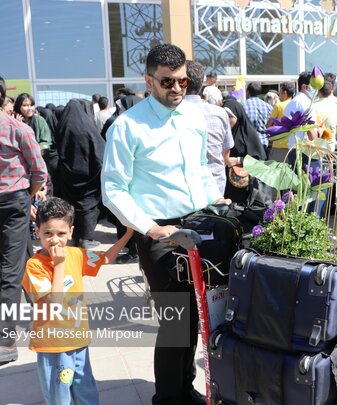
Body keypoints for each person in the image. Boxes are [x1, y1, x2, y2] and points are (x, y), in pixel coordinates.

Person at [102, 43, 229, 405]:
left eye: (183, 82)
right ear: (149, 80)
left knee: (202, 317)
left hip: (201, 224)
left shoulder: (193, 117)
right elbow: (113, 190)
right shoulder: (128, 126)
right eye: (167, 81)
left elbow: (199, 169)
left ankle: (184, 386)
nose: (176, 89)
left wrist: (214, 199)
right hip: (160, 233)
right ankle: (169, 397)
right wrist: (152, 229)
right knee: (176, 323)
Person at [22, 197, 133, 405]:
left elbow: (106, 258)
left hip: (78, 339)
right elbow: (54, 303)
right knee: (59, 394)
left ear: (71, 232)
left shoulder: (76, 254)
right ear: (37, 232)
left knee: (85, 389)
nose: (54, 240)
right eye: (48, 233)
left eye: (61, 233)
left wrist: (127, 235)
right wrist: (59, 265)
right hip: (53, 344)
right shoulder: (34, 266)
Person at [0, 71, 48, 362]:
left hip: (15, 205)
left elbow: (39, 171)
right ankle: (47, 316)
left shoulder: (19, 130)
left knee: (10, 275)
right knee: (25, 266)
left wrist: (27, 198)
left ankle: (6, 341)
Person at [55, 99, 105, 249]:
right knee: (88, 207)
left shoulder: (62, 126)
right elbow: (99, 149)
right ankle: (86, 238)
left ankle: (75, 235)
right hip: (88, 173)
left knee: (73, 206)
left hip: (68, 174)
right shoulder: (87, 127)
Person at [184, 60, 234, 194]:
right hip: (216, 184)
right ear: (201, 83)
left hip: (185, 189)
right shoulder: (220, 113)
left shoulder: (171, 113)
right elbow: (225, 153)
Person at [222, 97, 267, 204]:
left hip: (244, 187)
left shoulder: (249, 135)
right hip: (226, 185)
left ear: (238, 116)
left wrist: (237, 160)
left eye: (230, 116)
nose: (226, 120)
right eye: (224, 116)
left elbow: (260, 161)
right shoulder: (222, 134)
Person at [242, 82, 273, 154]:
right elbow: (272, 125)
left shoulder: (242, 106)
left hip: (248, 143)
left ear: (248, 92)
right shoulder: (268, 107)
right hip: (264, 143)